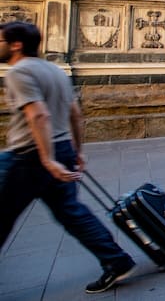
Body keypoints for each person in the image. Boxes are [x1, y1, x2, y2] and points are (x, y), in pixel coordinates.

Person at [0, 22, 137, 294]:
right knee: (71, 212)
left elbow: (38, 115)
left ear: (16, 44)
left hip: (29, 156)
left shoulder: (19, 72)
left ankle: (116, 260)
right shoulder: (54, 70)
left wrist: (48, 159)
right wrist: (77, 150)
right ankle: (116, 260)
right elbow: (75, 113)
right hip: (61, 149)